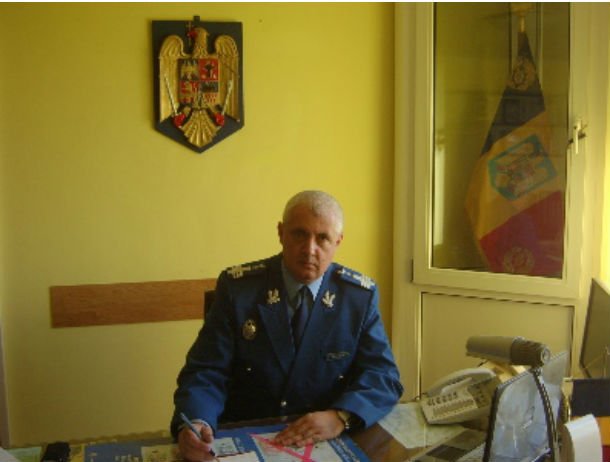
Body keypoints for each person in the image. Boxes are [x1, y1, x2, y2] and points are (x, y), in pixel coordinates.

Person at [171, 190, 403, 461]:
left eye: (323, 238)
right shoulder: (239, 290)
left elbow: (383, 376)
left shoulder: (358, 297)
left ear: (338, 241)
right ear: (281, 233)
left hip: (322, 444)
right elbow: (206, 370)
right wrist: (197, 421)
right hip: (245, 440)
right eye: (299, 234)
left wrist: (341, 417)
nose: (309, 249)